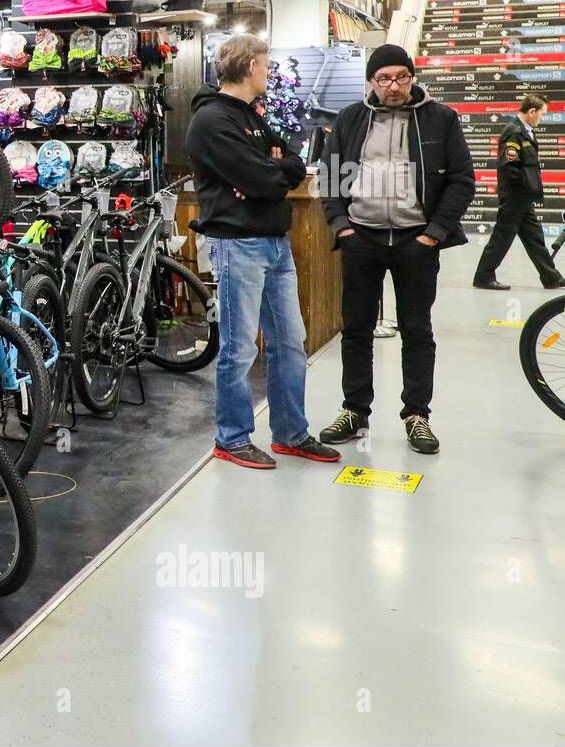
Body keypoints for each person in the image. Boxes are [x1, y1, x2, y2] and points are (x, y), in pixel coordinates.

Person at [186, 33, 341, 470]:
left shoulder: (251, 116)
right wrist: (273, 169)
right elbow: (262, 179)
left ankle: (291, 434)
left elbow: (291, 162)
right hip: (237, 246)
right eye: (266, 64)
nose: (269, 72)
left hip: (275, 244)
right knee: (239, 349)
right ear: (249, 66)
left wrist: (275, 167)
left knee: (290, 344)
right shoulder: (212, 121)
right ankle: (231, 438)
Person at [317, 44, 474, 455]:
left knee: (417, 329)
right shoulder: (352, 118)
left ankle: (417, 415)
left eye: (401, 76)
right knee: (355, 329)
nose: (393, 86)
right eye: (384, 78)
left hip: (415, 242)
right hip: (362, 239)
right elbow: (330, 176)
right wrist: (342, 228)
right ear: (371, 81)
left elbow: (461, 179)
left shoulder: (440, 119)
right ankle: (354, 410)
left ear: (413, 77)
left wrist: (433, 233)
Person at [472, 94, 563, 290]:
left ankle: (551, 277)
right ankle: (483, 277)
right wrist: (525, 187)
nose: (542, 118)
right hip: (515, 196)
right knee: (502, 237)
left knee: (534, 237)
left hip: (523, 197)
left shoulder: (526, 131)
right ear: (532, 112)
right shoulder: (514, 132)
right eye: (542, 114)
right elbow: (509, 167)